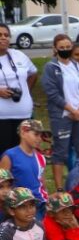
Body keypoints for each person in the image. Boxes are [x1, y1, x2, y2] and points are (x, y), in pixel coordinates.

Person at [41, 35, 79, 193]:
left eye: (68, 47)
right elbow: (52, 94)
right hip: (62, 115)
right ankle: (60, 189)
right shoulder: (50, 68)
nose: (65, 50)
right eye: (61, 47)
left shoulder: (77, 66)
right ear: (55, 49)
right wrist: (71, 110)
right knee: (60, 152)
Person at [0, 22, 39, 153]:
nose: (3, 38)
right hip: (2, 118)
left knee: (22, 154)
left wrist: (26, 91)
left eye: (6, 35)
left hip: (23, 115)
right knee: (4, 156)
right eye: (0, 35)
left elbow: (33, 73)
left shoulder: (18, 55)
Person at [0, 119, 49, 209]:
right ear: (23, 133)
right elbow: (2, 183)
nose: (39, 139)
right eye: (36, 134)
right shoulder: (10, 156)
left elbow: (42, 183)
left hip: (41, 203)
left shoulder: (41, 157)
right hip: (21, 205)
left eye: (41, 135)